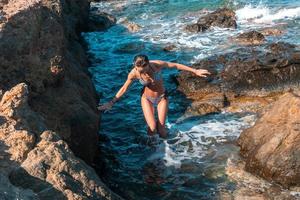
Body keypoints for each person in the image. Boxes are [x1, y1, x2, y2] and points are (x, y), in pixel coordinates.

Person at [97, 54, 210, 138]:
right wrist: (111, 103)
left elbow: (175, 65)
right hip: (147, 99)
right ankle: (152, 147)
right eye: (138, 70)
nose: (141, 73)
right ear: (135, 66)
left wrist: (195, 71)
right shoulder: (134, 73)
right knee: (152, 128)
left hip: (162, 97)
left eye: (143, 70)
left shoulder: (156, 65)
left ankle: (167, 151)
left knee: (162, 130)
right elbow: (124, 88)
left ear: (148, 64)